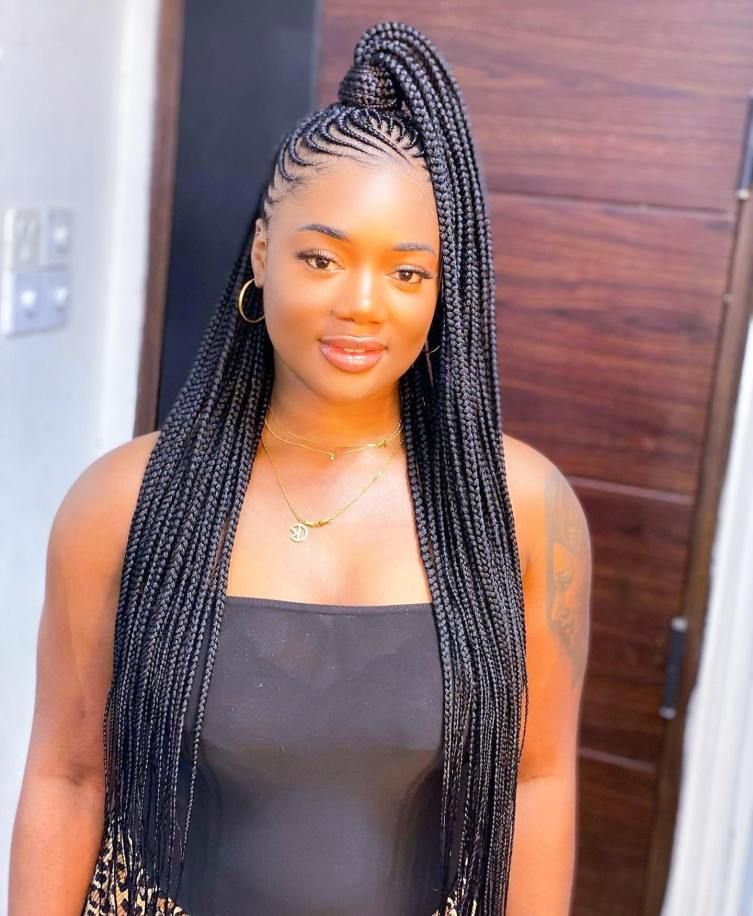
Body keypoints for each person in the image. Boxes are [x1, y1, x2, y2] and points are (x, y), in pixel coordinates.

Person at [8, 20, 592, 916]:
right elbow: (68, 775)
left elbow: (537, 781)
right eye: (321, 258)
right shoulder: (123, 504)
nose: (361, 304)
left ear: (445, 292)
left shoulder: (520, 510)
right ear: (261, 253)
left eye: (407, 274)